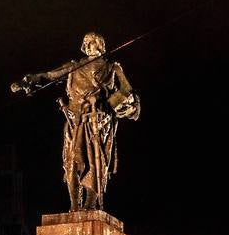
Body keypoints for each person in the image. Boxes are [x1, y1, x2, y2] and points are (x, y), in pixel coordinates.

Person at [11, 32, 140, 211]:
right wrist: (30, 81)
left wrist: (110, 104)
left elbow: (126, 90)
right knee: (71, 162)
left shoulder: (112, 68)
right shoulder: (75, 67)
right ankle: (74, 204)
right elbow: (50, 76)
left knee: (96, 163)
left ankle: (90, 203)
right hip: (74, 121)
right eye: (86, 43)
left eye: (93, 42)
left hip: (97, 122)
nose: (89, 46)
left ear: (101, 45)